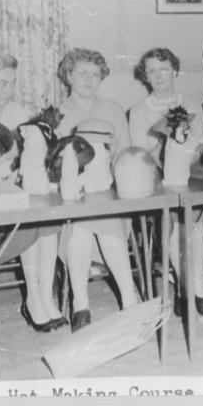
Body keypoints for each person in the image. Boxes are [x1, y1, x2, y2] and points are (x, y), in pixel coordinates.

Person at [55, 48, 138, 332]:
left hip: (111, 191)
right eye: (81, 73)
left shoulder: (114, 109)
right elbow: (53, 164)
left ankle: (82, 305)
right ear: (68, 76)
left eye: (95, 74)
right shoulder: (59, 114)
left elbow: (126, 155)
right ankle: (124, 300)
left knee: (93, 218)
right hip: (73, 195)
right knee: (80, 221)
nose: (89, 79)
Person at [129, 47, 203, 316]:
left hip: (190, 173)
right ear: (146, 77)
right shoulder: (139, 110)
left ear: (175, 71)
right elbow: (138, 153)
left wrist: (183, 153)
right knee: (172, 223)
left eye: (164, 69)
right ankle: (187, 285)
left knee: (194, 219)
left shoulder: (190, 103)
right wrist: (164, 146)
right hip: (155, 176)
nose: (158, 75)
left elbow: (202, 144)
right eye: (152, 71)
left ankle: (194, 283)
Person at [0, 55, 68, 332]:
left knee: (45, 218)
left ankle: (43, 295)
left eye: (12, 83)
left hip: (13, 195)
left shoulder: (18, 112)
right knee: (31, 222)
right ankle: (34, 298)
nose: (8, 90)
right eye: (1, 83)